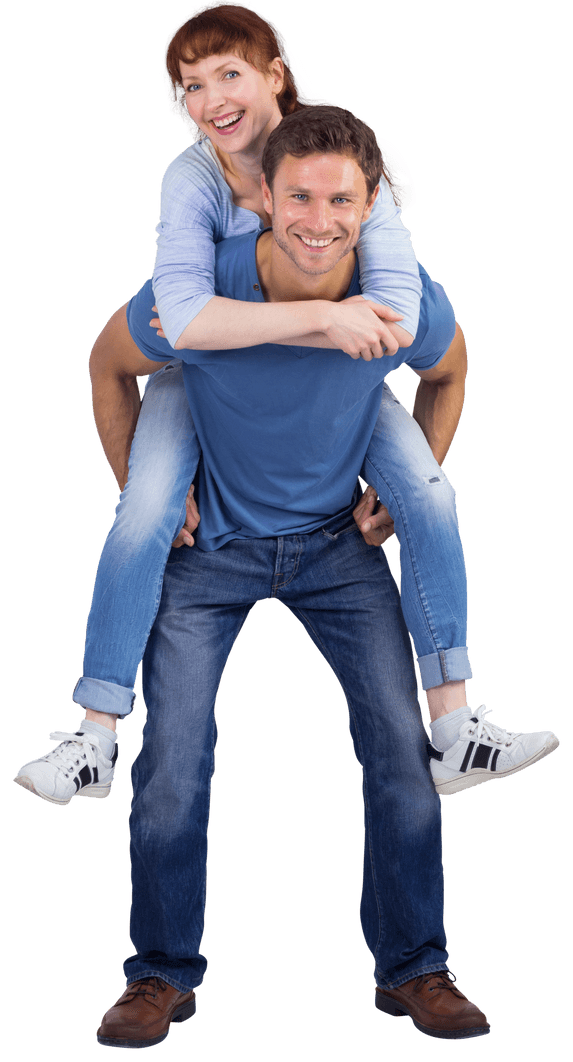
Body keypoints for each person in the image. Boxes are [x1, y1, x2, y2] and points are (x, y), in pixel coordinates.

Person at [14, 0, 558, 807]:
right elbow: (184, 319)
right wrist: (324, 320)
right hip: (205, 382)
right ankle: (94, 738)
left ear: (274, 75)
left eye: (228, 74)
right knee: (143, 510)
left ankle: (451, 726)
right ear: (264, 200)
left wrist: (336, 335)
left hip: (341, 387)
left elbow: (401, 322)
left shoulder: (337, 155)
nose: (210, 100)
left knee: (431, 495)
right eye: (190, 85)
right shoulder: (194, 175)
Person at [96, 105, 491, 1047]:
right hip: (210, 553)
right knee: (172, 767)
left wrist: (408, 482)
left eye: (341, 199)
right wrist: (150, 498)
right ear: (261, 197)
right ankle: (159, 974)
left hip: (334, 551)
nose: (319, 218)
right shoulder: (196, 298)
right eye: (299, 195)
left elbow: (452, 368)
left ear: (372, 206)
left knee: (405, 751)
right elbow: (108, 365)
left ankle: (415, 967)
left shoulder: (399, 300)